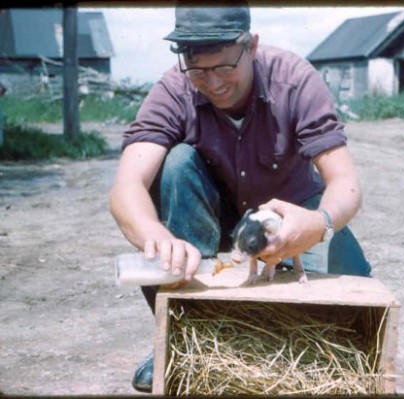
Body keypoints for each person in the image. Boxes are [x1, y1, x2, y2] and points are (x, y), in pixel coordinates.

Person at [108, 2, 371, 393]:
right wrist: (154, 236)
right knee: (177, 163)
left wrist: (318, 224)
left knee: (352, 315)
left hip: (294, 220)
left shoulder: (294, 80)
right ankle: (182, 340)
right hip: (216, 224)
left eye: (225, 67)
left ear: (251, 46)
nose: (212, 83)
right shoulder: (173, 89)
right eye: (198, 70)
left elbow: (346, 183)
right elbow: (126, 187)